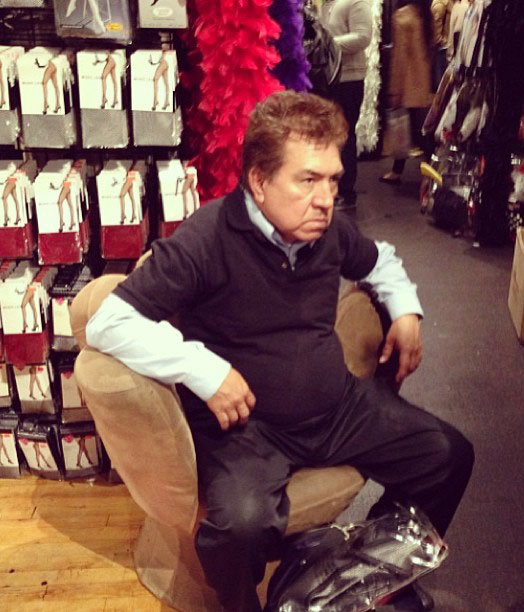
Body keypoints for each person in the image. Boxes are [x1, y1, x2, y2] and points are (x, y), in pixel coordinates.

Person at [86, 91, 474, 612]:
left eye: (333, 180)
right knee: (238, 525)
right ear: (260, 181)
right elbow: (109, 321)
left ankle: (367, 572)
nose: (326, 198)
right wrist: (201, 368)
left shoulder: (327, 229)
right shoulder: (209, 235)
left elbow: (379, 259)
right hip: (248, 428)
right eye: (308, 180)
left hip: (337, 407)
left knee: (449, 455)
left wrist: (405, 310)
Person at [320, 0, 372, 210]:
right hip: (329, 78)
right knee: (330, 135)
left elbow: (363, 37)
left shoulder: (355, 2)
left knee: (345, 135)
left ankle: (347, 192)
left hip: (350, 79)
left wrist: (326, 44)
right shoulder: (325, 5)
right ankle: (332, 187)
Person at [380, 0, 435, 185]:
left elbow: (399, 57)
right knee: (410, 129)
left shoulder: (402, 16)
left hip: (407, 83)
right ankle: (398, 171)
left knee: (407, 131)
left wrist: (395, 89)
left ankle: (434, 172)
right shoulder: (424, 15)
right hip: (421, 82)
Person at [431, 0, 455, 89]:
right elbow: (435, 31)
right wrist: (442, 41)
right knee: (442, 86)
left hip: (446, 49)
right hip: (442, 50)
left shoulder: (446, 4)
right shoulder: (440, 5)